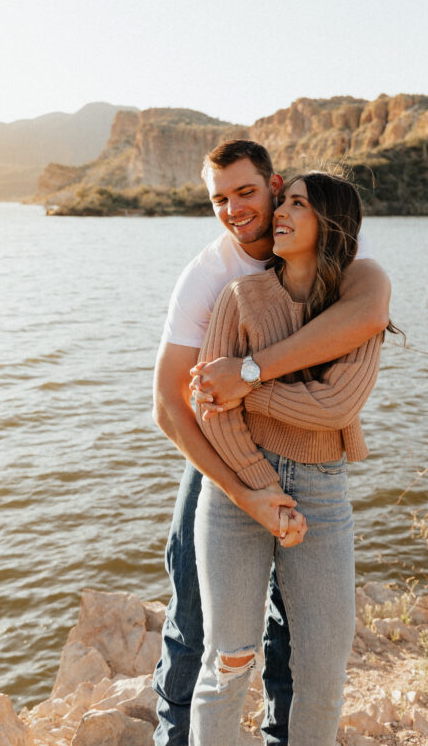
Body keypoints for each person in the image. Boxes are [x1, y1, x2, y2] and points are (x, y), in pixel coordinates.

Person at [152, 141, 390, 746]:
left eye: (248, 193)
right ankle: (173, 738)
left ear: (274, 186)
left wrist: (246, 380)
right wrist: (249, 488)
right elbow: (177, 406)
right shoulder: (216, 280)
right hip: (219, 455)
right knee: (198, 623)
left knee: (308, 648)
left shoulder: (351, 275)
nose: (236, 209)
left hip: (316, 474)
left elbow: (341, 393)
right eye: (219, 199)